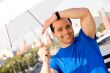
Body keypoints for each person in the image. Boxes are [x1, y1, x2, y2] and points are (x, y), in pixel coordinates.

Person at [38, 8, 108, 73]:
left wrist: (56, 15)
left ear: (72, 26)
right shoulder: (56, 60)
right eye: (60, 29)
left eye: (68, 26)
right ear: (54, 34)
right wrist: (45, 61)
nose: (65, 32)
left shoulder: (86, 38)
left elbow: (85, 13)